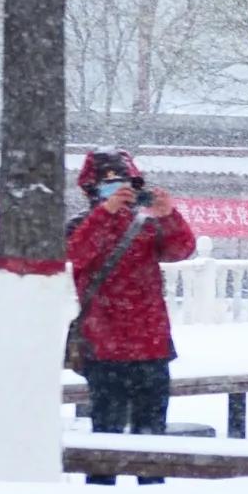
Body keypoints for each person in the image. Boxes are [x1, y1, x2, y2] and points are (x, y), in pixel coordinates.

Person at [64, 148, 198, 435]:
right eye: (110, 186)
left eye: (126, 184)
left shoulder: (148, 225)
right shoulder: (80, 225)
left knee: (152, 437)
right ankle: (102, 479)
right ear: (92, 189)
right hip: (102, 348)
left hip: (152, 347)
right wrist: (105, 213)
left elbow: (180, 251)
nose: (120, 193)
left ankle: (150, 480)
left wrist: (168, 216)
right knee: (106, 437)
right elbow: (79, 253)